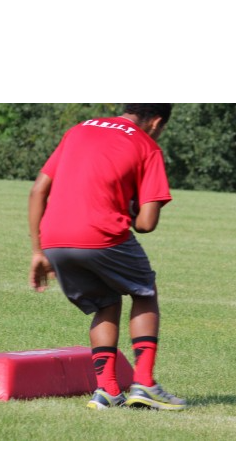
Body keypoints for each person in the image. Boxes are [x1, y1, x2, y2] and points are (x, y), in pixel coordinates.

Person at [28, 103, 186, 412]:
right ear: (156, 122)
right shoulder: (147, 145)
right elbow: (146, 224)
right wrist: (132, 208)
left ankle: (108, 390)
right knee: (144, 291)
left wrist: (37, 251)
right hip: (101, 233)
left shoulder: (79, 129)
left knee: (105, 303)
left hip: (54, 238)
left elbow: (37, 191)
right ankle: (144, 383)